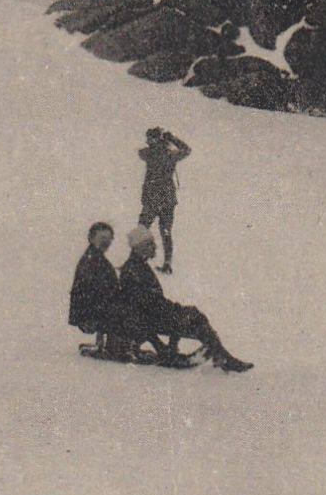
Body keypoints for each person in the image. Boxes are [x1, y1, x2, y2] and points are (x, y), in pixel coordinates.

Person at [117, 225, 252, 372]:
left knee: (194, 316)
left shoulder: (138, 267)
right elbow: (145, 303)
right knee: (194, 317)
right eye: (150, 244)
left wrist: (175, 309)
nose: (155, 247)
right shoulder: (133, 269)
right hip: (149, 318)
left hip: (154, 314)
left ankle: (221, 356)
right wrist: (174, 310)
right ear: (138, 247)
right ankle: (222, 357)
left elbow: (151, 300)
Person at [138, 127, 190, 274]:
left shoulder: (149, 153)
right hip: (167, 198)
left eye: (150, 138)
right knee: (165, 231)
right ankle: (167, 264)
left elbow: (141, 152)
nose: (147, 141)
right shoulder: (170, 154)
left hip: (153, 199)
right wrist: (172, 139)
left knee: (142, 228)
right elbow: (186, 150)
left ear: (154, 139)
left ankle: (136, 261)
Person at [68, 222, 118, 355]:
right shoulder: (91, 260)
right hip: (90, 311)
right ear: (91, 238)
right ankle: (114, 345)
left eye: (109, 239)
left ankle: (112, 343)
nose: (106, 243)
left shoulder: (96, 258)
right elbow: (93, 289)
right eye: (102, 239)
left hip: (94, 307)